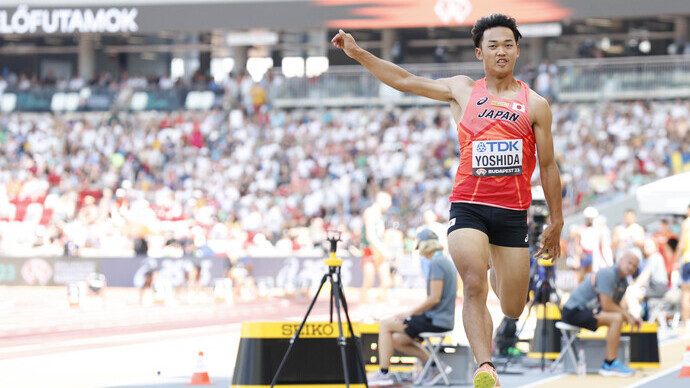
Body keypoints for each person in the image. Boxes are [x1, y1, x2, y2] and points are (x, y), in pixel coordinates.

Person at [333, 13, 563, 387]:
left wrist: (557, 221)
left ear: (518, 50)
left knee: (513, 306)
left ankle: (496, 265)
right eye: (493, 45)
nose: (501, 51)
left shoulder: (536, 105)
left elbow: (549, 167)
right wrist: (359, 53)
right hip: (468, 205)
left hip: (512, 213)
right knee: (474, 281)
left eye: (508, 44)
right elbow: (405, 80)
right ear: (479, 53)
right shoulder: (462, 90)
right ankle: (485, 366)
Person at [368, 229, 457, 386]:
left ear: (425, 245)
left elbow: (434, 298)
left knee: (386, 324)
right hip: (441, 318)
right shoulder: (443, 261)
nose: (420, 254)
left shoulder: (437, 263)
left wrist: (409, 313)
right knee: (398, 340)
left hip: (436, 319)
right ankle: (435, 367)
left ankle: (383, 373)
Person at [561, 250, 642, 377]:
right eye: (629, 263)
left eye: (635, 266)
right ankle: (609, 363)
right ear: (620, 260)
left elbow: (616, 306)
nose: (631, 267)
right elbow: (607, 306)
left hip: (589, 311)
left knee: (619, 317)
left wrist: (632, 317)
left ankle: (611, 362)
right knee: (616, 318)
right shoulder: (607, 273)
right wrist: (627, 316)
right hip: (574, 311)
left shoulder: (623, 282)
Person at [360, 191, 394, 303]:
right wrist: (384, 251)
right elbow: (370, 236)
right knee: (368, 282)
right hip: (371, 250)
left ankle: (378, 304)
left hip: (378, 250)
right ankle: (362, 306)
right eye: (388, 201)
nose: (390, 205)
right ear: (381, 200)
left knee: (386, 282)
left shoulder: (378, 215)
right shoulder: (370, 212)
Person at [675, 204, 690, 326]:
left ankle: (687, 321)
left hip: (688, 260)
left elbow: (682, 244)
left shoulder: (686, 223)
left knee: (686, 292)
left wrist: (675, 259)